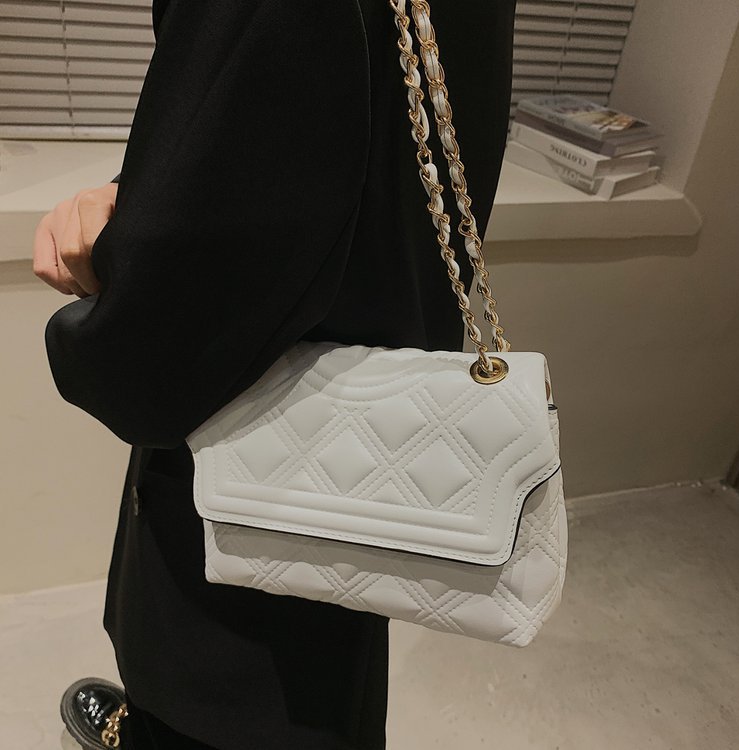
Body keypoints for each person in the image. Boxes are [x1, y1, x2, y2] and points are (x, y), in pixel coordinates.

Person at [34, 1, 518, 748]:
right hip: (381, 400)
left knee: (216, 673)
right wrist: (144, 192)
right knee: (328, 642)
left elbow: (158, 355)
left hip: (246, 425)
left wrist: (90, 326)